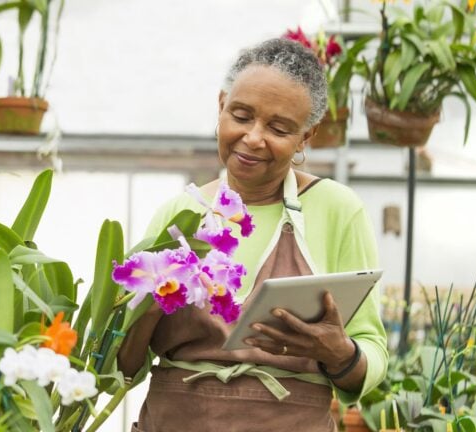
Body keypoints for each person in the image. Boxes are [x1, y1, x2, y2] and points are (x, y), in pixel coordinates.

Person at [117, 38, 388, 432]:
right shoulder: (180, 215)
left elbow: (373, 355)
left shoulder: (336, 209)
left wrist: (340, 353)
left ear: (306, 138)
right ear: (221, 104)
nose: (254, 137)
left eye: (278, 128)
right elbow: (122, 369)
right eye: (241, 116)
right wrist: (150, 308)